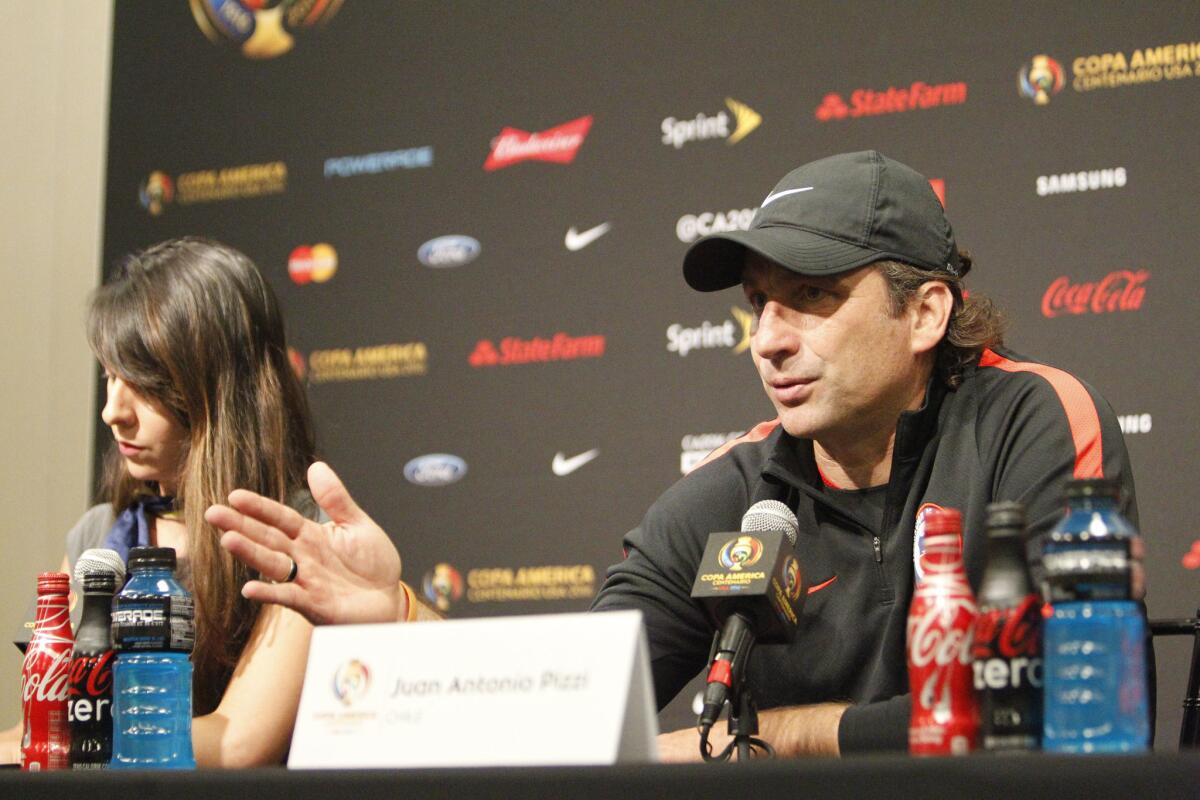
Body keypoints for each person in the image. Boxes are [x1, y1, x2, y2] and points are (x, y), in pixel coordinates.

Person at [205, 151, 1140, 759]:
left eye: (810, 297)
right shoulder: (734, 489)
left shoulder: (1032, 417)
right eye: (757, 305)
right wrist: (398, 619)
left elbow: (1054, 703)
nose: (768, 340)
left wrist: (769, 734)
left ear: (926, 313)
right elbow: (576, 702)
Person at [1, 237, 338, 767]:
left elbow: (238, 743)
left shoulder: (298, 538)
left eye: (143, 382)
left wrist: (71, 741)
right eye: (110, 375)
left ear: (221, 387)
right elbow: (37, 728)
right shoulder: (98, 537)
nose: (113, 411)